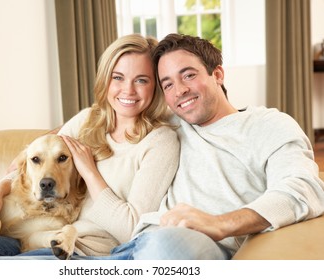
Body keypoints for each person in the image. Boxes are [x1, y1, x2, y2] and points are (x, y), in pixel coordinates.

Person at [75, 33, 324, 260]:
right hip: (128, 248)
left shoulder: (267, 125)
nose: (180, 91)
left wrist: (220, 223)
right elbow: (103, 113)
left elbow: (304, 189)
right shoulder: (169, 124)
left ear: (217, 74)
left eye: (188, 75)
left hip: (189, 247)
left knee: (166, 245)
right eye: (168, 84)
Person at [0, 34, 180, 260]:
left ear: (155, 86)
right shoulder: (88, 120)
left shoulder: (160, 142)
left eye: (141, 80)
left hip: (84, 251)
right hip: (38, 237)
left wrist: (89, 172)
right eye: (118, 77)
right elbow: (37, 158)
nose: (127, 90)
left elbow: (131, 228)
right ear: (106, 80)